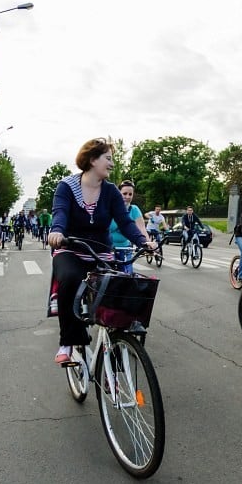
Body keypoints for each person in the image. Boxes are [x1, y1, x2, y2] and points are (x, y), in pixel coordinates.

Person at [47, 138, 150, 365]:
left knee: (117, 290)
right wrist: (56, 232)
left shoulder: (111, 192)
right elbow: (60, 213)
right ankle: (68, 341)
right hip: (70, 249)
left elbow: (125, 222)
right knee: (70, 278)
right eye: (108, 159)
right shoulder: (66, 187)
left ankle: (115, 353)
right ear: (93, 160)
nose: (112, 164)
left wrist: (143, 241)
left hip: (101, 252)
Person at [109, 179, 153, 273]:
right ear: (118, 193)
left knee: (127, 274)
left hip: (125, 248)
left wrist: (147, 243)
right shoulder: (110, 207)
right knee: (108, 276)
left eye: (130, 194)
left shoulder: (134, 209)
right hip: (108, 248)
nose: (127, 197)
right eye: (124, 194)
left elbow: (142, 229)